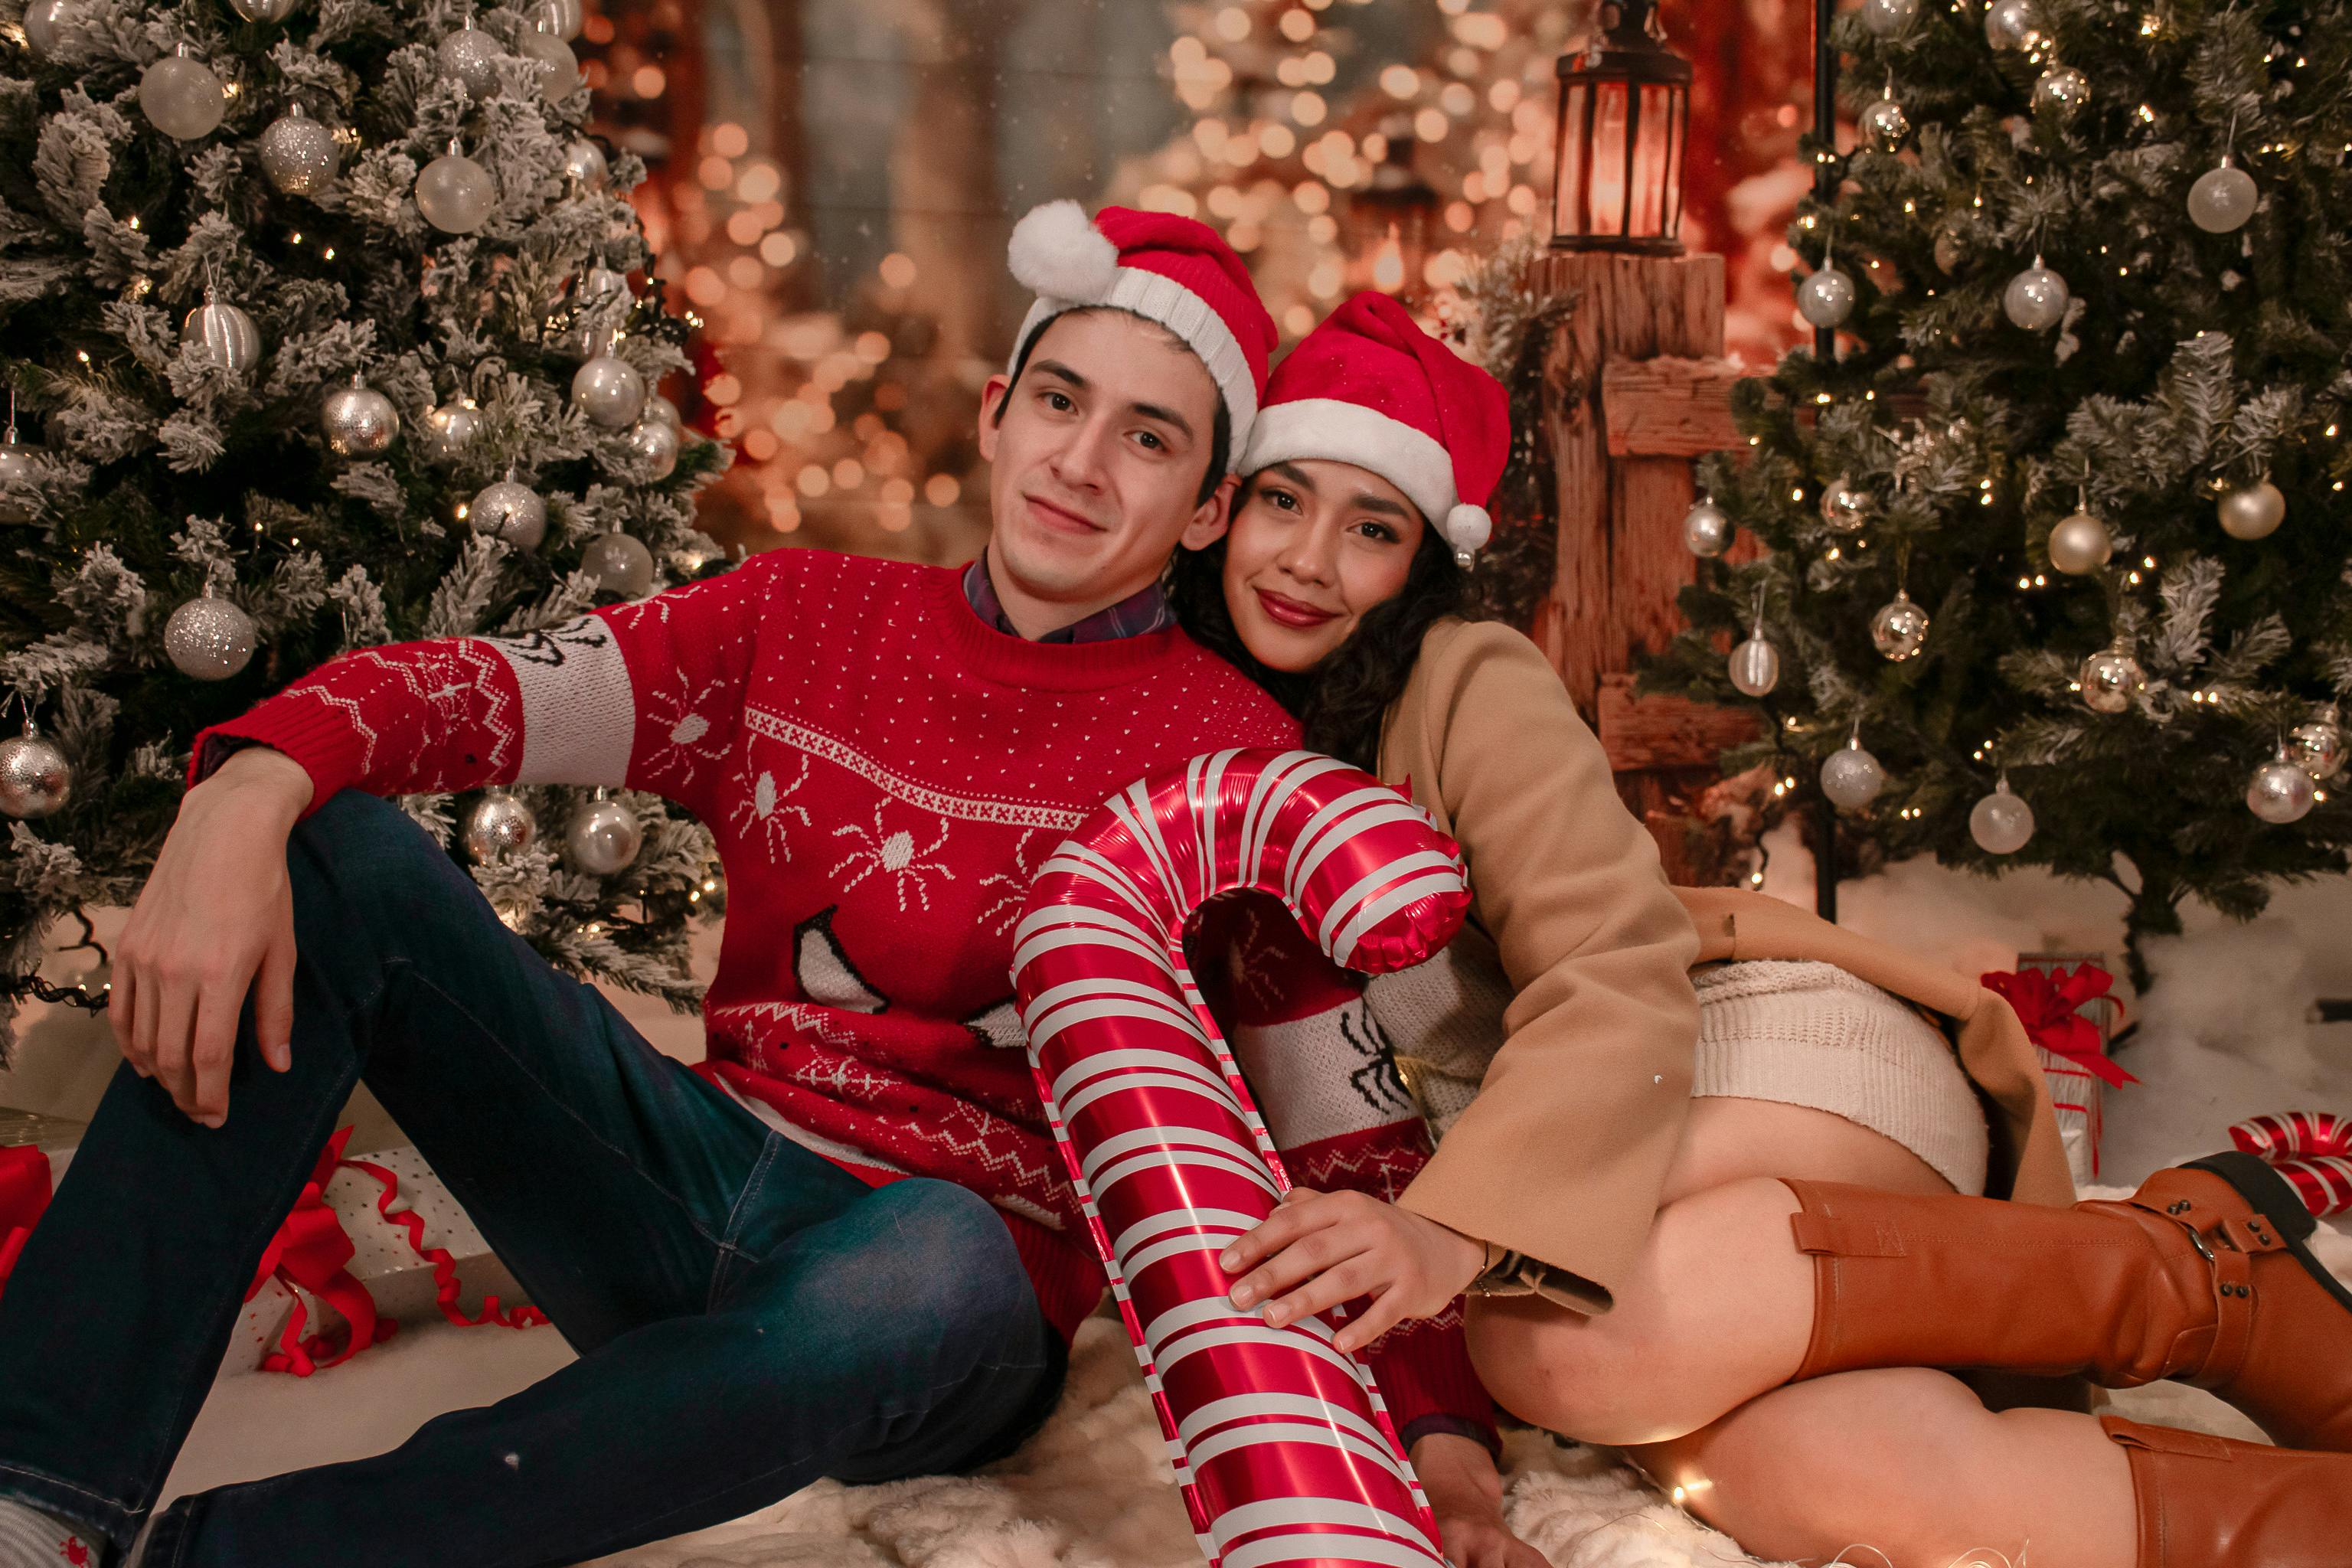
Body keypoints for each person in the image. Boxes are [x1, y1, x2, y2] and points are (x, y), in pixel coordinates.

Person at [0, 207, 1504, 1568]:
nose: (1081, 462)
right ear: (996, 416)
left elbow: (1348, 1144)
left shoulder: (1235, 756)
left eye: (1151, 438)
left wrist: (1457, 1463)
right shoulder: (800, 617)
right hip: (694, 1171)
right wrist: (248, 784)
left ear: (1201, 509)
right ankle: (38, 1499)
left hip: (947, 1285)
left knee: (936, 1262)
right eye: (1060, 401)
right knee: (339, 852)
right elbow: (480, 695)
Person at [1176, 290, 2352, 1568]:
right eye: (1283, 501)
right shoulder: (1181, 755)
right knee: (1827, 1475)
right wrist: (1451, 1482)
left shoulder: (1461, 679)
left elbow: (1616, 976)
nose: (1307, 559)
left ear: (1422, 561)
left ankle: (2197, 1277)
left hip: (1737, 1059)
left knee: (1551, 1348)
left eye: (1371, 527)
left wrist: (1452, 1231)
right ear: (1223, 507)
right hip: (1564, 1172)